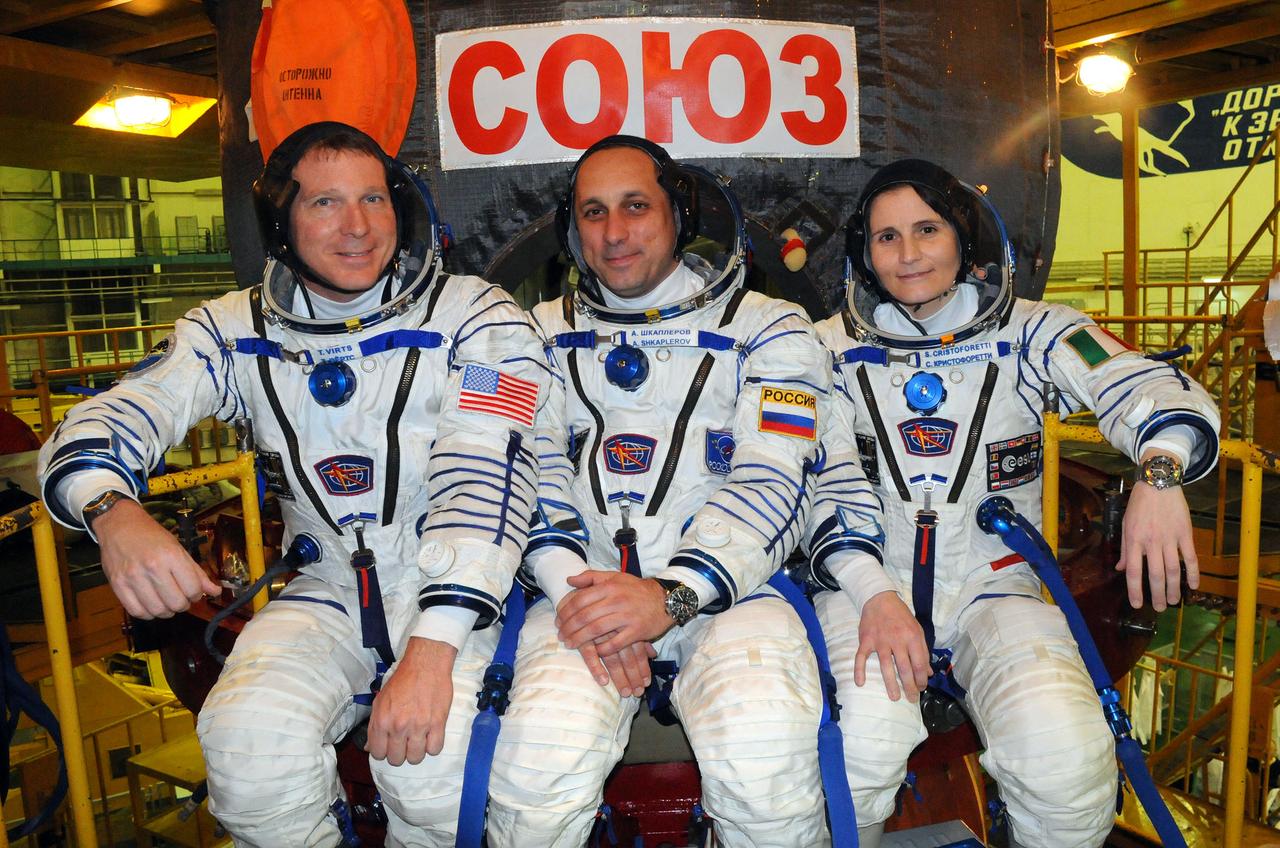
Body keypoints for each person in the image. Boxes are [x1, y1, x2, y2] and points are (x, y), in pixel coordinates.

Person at [37, 121, 550, 847]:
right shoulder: (232, 330)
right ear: (281, 221)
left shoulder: (476, 317)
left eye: (374, 199)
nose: (358, 227)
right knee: (247, 754)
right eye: (324, 204)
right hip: (329, 593)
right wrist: (111, 508)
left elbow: (486, 477)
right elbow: (112, 416)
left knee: (430, 771)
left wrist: (433, 648)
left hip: (456, 597)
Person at [806, 158, 1221, 848]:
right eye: (886, 237)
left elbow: (1138, 382)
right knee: (858, 752)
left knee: (1065, 761)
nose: (908, 254)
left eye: (927, 229)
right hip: (865, 590)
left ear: (963, 237)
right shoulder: (823, 350)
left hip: (993, 589)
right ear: (863, 252)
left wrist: (1159, 470)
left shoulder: (1036, 332)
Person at [484, 135, 833, 847]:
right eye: (593, 213)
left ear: (679, 214)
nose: (614, 234)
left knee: (766, 770)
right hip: (580, 597)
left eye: (636, 207)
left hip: (731, 595)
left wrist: (670, 595)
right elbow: (518, 462)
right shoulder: (528, 336)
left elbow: (775, 473)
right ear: (570, 231)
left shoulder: (772, 329)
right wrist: (576, 592)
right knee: (533, 783)